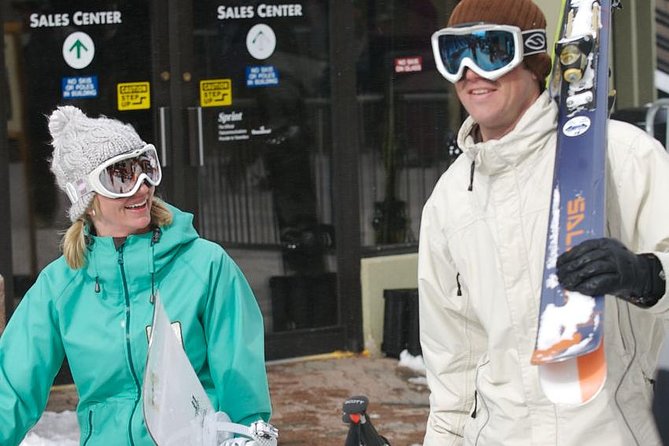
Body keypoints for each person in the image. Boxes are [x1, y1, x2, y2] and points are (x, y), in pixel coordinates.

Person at [418, 0, 669, 444]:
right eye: (454, 54)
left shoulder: (622, 155)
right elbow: (452, 363)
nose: (470, 72)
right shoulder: (449, 200)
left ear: (533, 60)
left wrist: (647, 277)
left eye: (491, 50)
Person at [0, 106, 275, 445]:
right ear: (86, 196)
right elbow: (11, 391)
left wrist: (247, 436)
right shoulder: (59, 287)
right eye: (120, 176)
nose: (142, 187)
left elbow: (240, 381)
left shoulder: (206, 266)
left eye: (146, 168)